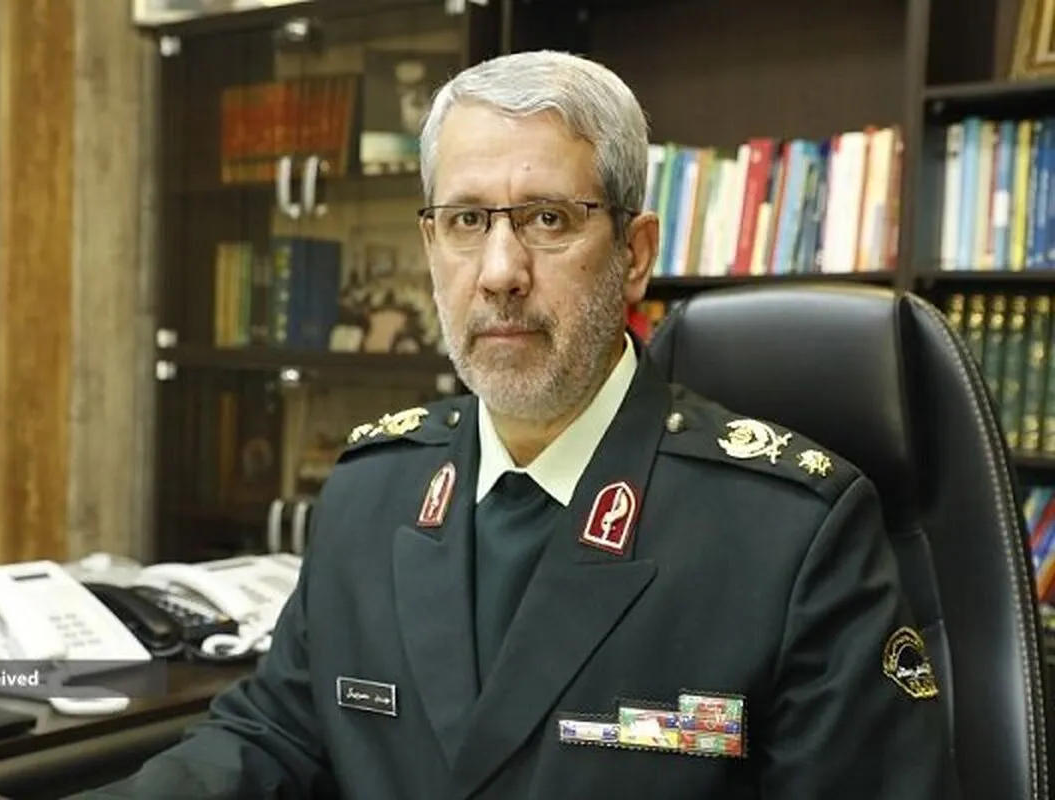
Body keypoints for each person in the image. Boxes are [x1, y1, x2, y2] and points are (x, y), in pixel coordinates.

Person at [71, 50, 958, 799]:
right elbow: (273, 738)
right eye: (466, 221)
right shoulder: (373, 490)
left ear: (635, 254)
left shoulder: (792, 535)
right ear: (432, 249)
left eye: (547, 219)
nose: (499, 271)